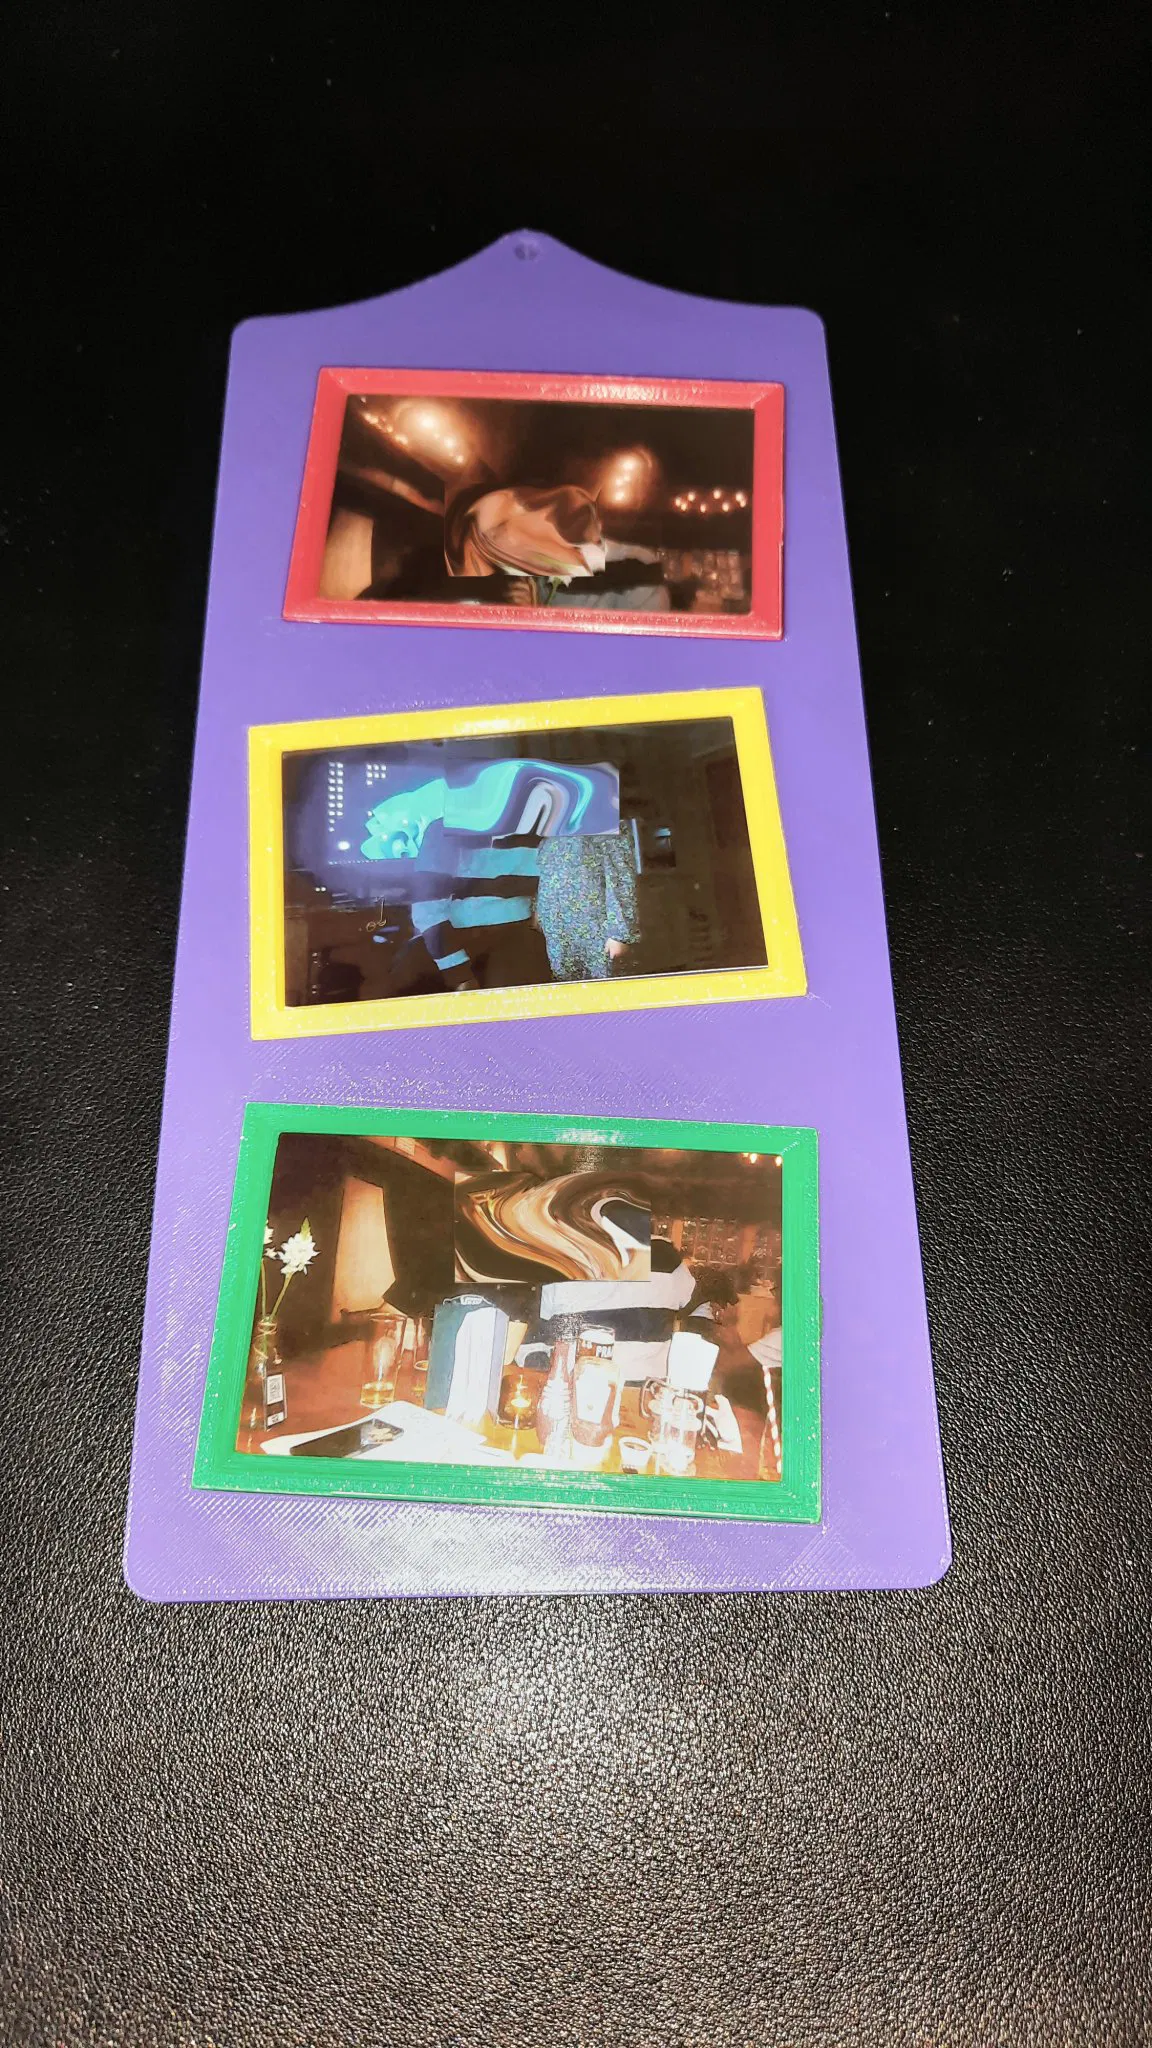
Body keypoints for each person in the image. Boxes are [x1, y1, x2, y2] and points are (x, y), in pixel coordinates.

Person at [535, 826, 640, 981]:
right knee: (567, 988)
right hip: (558, 933)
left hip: (596, 932)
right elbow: (545, 875)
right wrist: (538, 910)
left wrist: (619, 934)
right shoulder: (553, 830)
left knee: (604, 988)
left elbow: (621, 879)